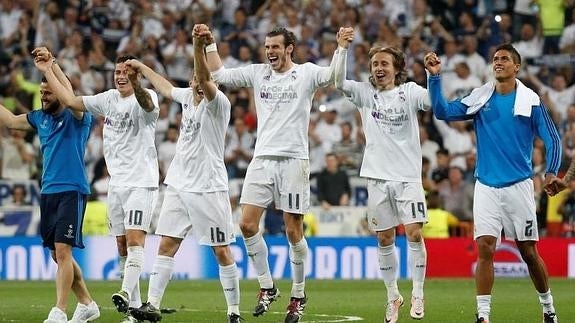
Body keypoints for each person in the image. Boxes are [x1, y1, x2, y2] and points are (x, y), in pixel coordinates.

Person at [195, 24, 339, 323]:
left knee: (292, 231)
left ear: (289, 48)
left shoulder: (308, 73)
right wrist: (209, 43)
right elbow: (220, 75)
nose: (270, 51)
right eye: (267, 46)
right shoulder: (258, 72)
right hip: (262, 159)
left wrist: (342, 48)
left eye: (275, 46)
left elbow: (334, 77)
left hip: (293, 160)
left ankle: (298, 295)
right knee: (247, 225)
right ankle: (267, 286)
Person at [424, 43, 560, 323]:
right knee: (485, 247)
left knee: (529, 252)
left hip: (518, 185)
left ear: (517, 67)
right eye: (495, 58)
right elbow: (442, 111)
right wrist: (435, 77)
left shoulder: (530, 100)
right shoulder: (480, 97)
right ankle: (483, 315)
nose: (498, 62)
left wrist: (551, 171)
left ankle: (548, 308)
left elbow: (552, 138)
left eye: (505, 59)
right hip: (485, 185)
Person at [124, 27, 243, 323]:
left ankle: (233, 311)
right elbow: (165, 87)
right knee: (166, 244)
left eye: (202, 82)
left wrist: (196, 46)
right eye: (194, 82)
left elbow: (203, 77)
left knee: (221, 251)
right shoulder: (188, 98)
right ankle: (151, 304)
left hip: (208, 187)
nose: (198, 85)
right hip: (178, 184)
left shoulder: (219, 105)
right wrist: (141, 67)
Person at [39, 48, 160, 322]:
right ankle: (135, 313)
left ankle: (126, 295)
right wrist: (50, 68)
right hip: (116, 185)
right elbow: (69, 99)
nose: (120, 77)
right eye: (117, 72)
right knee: (120, 245)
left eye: (126, 72)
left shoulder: (146, 96)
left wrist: (138, 82)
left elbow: (148, 106)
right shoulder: (107, 100)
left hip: (141, 182)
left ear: (136, 75)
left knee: (134, 239)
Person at [334, 28, 429, 323]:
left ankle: (417, 292)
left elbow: (435, 104)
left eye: (384, 63)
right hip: (376, 177)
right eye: (375, 64)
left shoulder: (410, 92)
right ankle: (393, 296)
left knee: (414, 232)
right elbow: (338, 81)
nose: (378, 68)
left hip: (408, 177)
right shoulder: (364, 94)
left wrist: (435, 77)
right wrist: (342, 48)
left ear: (397, 68)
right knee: (385, 238)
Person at [2, 49, 100, 323]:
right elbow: (10, 120)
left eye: (48, 92)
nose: (44, 96)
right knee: (59, 256)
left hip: (72, 189)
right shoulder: (40, 118)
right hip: (48, 192)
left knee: (63, 251)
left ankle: (59, 311)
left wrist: (51, 67)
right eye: (42, 92)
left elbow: (68, 93)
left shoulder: (78, 117)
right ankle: (87, 303)